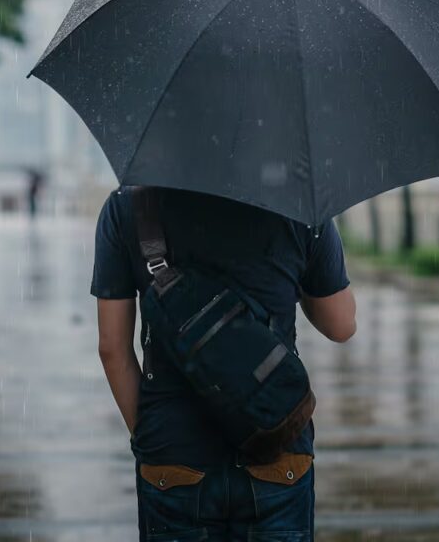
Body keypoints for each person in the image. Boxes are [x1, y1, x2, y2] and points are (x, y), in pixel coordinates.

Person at [92, 185, 355, 541]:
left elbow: (112, 348)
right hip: (275, 444)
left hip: (174, 455)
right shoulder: (300, 204)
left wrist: (152, 436)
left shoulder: (130, 205)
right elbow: (340, 325)